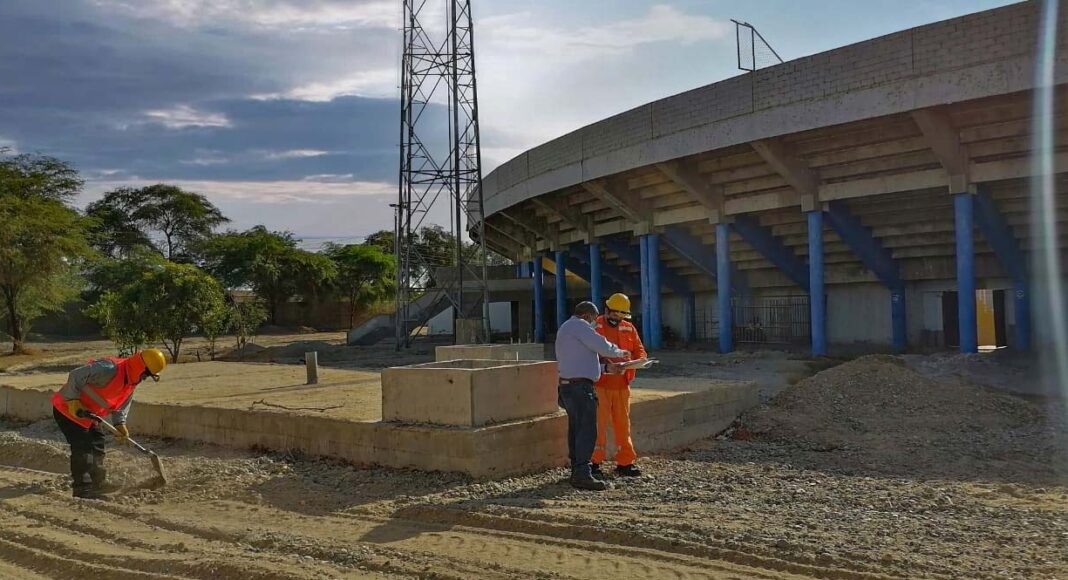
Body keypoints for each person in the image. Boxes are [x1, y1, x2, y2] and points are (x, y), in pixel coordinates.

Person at [51, 348, 167, 499]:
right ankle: (83, 489)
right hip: (67, 410)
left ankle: (98, 483)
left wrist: (120, 423)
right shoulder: (109, 368)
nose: (144, 379)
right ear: (140, 367)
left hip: (88, 415)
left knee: (97, 443)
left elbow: (120, 405)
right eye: (145, 375)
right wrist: (72, 400)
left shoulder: (130, 382)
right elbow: (75, 375)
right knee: (83, 446)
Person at [554, 301, 629, 491]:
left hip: (569, 386)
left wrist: (607, 368)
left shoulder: (567, 329)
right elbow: (601, 345)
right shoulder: (580, 326)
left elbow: (582, 362)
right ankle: (582, 474)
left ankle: (577, 470)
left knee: (576, 430)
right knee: (586, 431)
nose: (596, 323)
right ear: (587, 316)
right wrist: (620, 352)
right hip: (580, 388)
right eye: (594, 320)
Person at [592, 293, 647, 478]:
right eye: (614, 314)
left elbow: (639, 350)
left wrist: (639, 361)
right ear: (607, 310)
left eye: (621, 315)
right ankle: (594, 463)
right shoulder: (595, 326)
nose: (617, 319)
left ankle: (625, 463)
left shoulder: (628, 328)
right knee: (598, 425)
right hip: (600, 385)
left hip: (622, 386)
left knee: (623, 425)